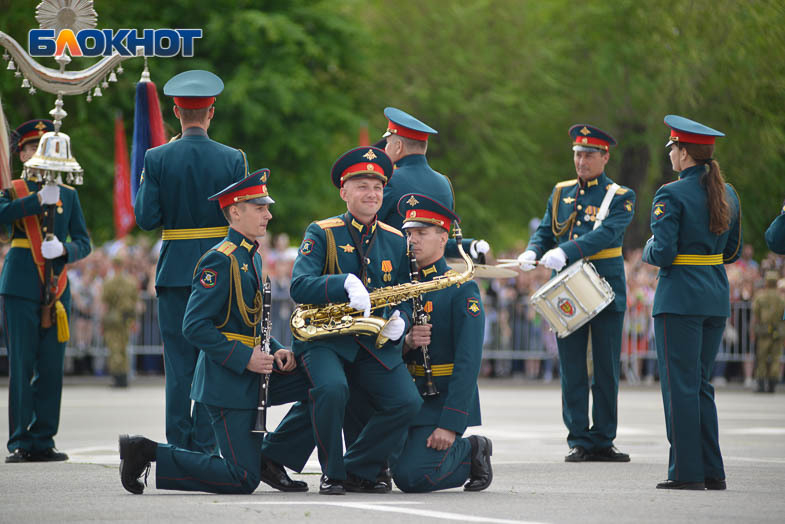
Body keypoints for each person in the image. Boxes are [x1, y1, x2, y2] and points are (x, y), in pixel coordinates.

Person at [119, 169, 310, 495]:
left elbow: (250, 325)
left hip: (252, 373)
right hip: (228, 382)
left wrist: (275, 347)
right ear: (235, 212)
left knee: (322, 381)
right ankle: (145, 451)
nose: (269, 214)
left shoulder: (250, 256)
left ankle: (273, 457)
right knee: (241, 478)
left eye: (267, 207)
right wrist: (246, 358)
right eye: (260, 207)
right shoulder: (219, 260)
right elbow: (194, 326)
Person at [267, 146, 422, 495]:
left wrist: (403, 318)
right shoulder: (322, 232)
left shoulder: (396, 240)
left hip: (371, 341)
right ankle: (332, 474)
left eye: (378, 187)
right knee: (332, 390)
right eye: (362, 186)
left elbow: (406, 292)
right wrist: (342, 283)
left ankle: (357, 467)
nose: (371, 194)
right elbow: (299, 285)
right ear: (344, 191)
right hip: (324, 339)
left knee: (407, 402)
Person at [134, 69, 248, 453]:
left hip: (176, 272)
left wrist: (151, 177)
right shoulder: (234, 159)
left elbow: (147, 219)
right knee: (215, 357)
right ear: (211, 112)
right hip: (222, 268)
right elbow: (242, 218)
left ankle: (180, 447)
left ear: (176, 111)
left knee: (179, 366)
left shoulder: (157, 157)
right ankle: (210, 444)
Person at [517, 124, 635, 463]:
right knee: (571, 365)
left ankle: (603, 438)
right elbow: (544, 231)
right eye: (577, 155)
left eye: (588, 155)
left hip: (604, 285)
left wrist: (568, 250)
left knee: (606, 366)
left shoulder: (619, 195)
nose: (581, 161)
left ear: (605, 157)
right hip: (566, 285)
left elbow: (608, 235)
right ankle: (579, 438)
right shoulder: (561, 192)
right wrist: (532, 250)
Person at [642, 115, 742, 490]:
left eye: (672, 147)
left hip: (679, 298)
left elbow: (664, 252)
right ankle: (712, 471)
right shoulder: (728, 192)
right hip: (715, 296)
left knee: (680, 388)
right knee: (700, 386)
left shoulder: (671, 193)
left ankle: (686, 472)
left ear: (684, 153)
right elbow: (731, 250)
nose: (670, 153)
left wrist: (649, 249)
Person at [1, 119, 91, 463]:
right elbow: (1, 217)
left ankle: (43, 439)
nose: (37, 152)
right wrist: (36, 201)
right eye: (30, 147)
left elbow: (84, 241)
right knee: (22, 365)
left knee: (52, 368)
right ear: (22, 153)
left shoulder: (69, 194)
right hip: (21, 284)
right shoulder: (14, 188)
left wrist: (66, 250)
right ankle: (20, 440)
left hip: (57, 287)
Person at [391, 193, 492, 492]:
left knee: (412, 478)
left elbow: (468, 359)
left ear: (443, 238)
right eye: (408, 233)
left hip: (439, 400)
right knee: (373, 469)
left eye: (422, 233)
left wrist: (451, 423)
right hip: (402, 397)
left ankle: (472, 450)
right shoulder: (399, 285)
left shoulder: (460, 288)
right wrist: (406, 342)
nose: (413, 240)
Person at [378, 107, 489, 260]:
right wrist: (467, 245)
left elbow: (371, 235)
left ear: (398, 147)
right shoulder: (445, 183)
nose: (385, 148)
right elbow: (438, 242)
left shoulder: (389, 180)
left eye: (388, 143)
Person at [101, 255, 140, 388]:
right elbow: (135, 302)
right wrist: (134, 320)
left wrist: (102, 321)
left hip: (112, 318)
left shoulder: (108, 282)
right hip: (126, 318)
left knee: (114, 348)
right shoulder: (131, 282)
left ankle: (117, 377)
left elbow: (105, 303)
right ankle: (124, 376)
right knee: (123, 347)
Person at [750, 271, 784, 393]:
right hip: (778, 331)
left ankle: (761, 385)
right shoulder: (782, 298)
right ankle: (772, 385)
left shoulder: (760, 296)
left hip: (763, 330)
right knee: (775, 358)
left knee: (762, 358)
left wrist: (753, 331)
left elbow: (756, 316)